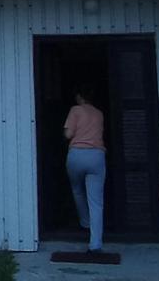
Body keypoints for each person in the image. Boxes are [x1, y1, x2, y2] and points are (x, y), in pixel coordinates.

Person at [63, 84, 106, 253]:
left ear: (80, 96)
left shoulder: (75, 110)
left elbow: (68, 134)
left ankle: (85, 222)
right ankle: (95, 244)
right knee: (96, 201)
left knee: (77, 190)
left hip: (77, 154)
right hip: (97, 155)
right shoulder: (99, 113)